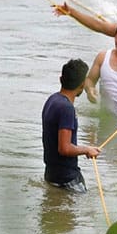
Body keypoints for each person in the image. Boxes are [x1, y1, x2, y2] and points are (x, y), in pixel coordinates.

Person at [41, 58, 101, 192]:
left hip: (51, 175)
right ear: (82, 85)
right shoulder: (66, 108)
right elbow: (64, 148)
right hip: (67, 178)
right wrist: (87, 149)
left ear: (61, 79)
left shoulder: (52, 100)